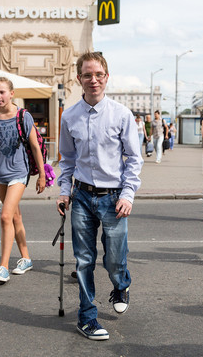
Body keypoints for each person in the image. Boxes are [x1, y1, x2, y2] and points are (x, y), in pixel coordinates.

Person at [56, 51, 143, 341]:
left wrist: (128, 194)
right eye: (87, 75)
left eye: (99, 75)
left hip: (114, 197)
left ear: (106, 77)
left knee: (115, 259)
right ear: (79, 78)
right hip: (81, 196)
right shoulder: (69, 117)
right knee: (83, 260)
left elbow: (134, 158)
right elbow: (67, 159)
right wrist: (63, 192)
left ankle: (121, 284)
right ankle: (87, 317)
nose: (93, 80)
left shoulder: (121, 114)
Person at [0, 77, 45, 283]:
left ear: (12, 93)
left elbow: (35, 147)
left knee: (5, 216)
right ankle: (26, 258)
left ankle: (3, 267)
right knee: (15, 217)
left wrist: (41, 174)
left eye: (2, 92)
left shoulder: (23, 116)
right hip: (1, 172)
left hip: (19, 172)